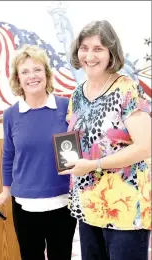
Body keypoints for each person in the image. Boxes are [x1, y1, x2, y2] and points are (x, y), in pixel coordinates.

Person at [60, 20, 151, 260]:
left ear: (111, 52)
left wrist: (94, 165)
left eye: (98, 48)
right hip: (88, 206)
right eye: (84, 47)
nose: (89, 55)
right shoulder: (77, 94)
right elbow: (79, 143)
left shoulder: (126, 88)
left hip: (125, 209)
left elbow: (146, 146)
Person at [0, 45, 76, 260]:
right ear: (18, 79)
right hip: (25, 204)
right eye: (25, 72)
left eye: (37, 69)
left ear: (46, 74)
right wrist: (4, 190)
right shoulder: (11, 115)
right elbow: (8, 155)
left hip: (63, 201)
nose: (32, 76)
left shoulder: (67, 107)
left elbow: (74, 154)